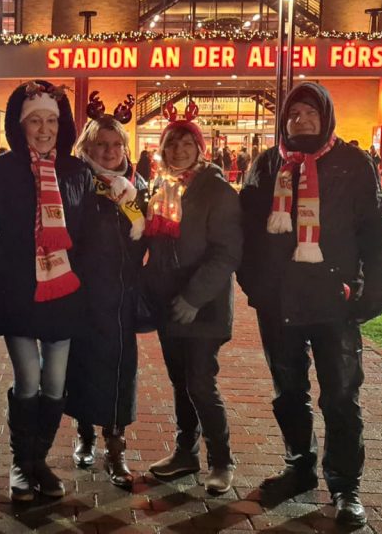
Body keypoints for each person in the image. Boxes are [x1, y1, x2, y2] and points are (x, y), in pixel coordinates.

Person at [238, 83, 382, 528]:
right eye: (293, 114)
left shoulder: (353, 162)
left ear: (325, 117)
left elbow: (377, 229)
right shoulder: (267, 163)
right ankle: (299, 466)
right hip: (280, 300)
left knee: (340, 395)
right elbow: (245, 227)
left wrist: (374, 290)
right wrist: (255, 285)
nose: (301, 121)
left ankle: (345, 486)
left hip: (333, 300)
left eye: (310, 113)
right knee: (288, 392)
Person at [0, 80, 94, 502]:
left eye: (51, 121)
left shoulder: (76, 172)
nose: (44, 130)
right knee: (28, 379)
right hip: (18, 287)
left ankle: (39, 461)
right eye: (35, 121)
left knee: (55, 383)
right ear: (19, 126)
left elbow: (88, 234)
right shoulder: (1, 171)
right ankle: (22, 465)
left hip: (64, 289)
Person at [142, 102, 240, 495]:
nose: (179, 150)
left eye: (187, 144)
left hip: (203, 305)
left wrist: (194, 297)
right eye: (172, 144)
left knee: (200, 382)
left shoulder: (216, 190)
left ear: (200, 149)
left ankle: (221, 460)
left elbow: (226, 252)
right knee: (180, 382)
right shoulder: (161, 186)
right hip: (169, 303)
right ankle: (186, 452)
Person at [65, 94, 147, 490]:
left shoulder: (137, 187)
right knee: (82, 365)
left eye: (116, 144)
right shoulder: (77, 183)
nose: (110, 151)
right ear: (87, 146)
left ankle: (116, 447)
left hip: (121, 297)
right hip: (83, 293)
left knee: (119, 371)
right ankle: (84, 435)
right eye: (101, 144)